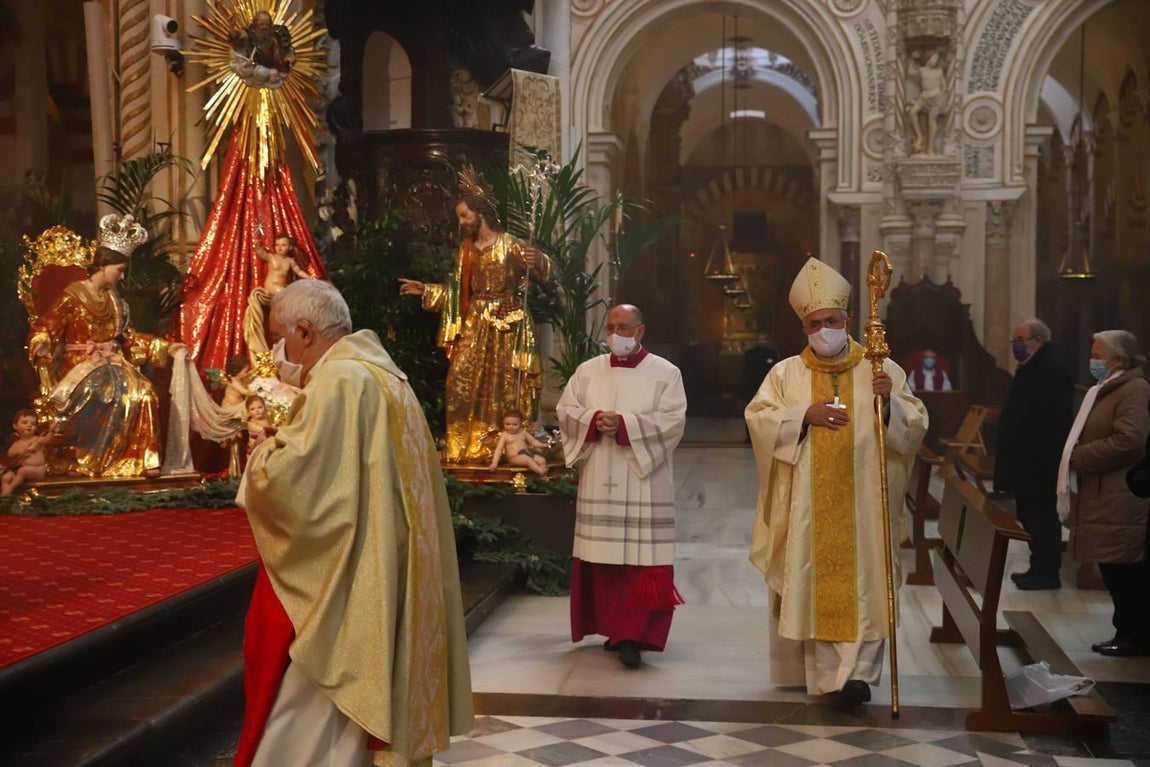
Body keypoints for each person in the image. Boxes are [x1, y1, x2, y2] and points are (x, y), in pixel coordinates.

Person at [235, 279, 473, 767]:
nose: (277, 351)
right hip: (385, 556)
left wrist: (261, 459)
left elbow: (297, 482)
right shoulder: (385, 375)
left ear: (304, 331)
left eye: (280, 336)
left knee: (323, 690)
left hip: (353, 575)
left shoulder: (339, 381)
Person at [745, 257, 928, 710]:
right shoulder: (785, 374)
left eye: (832, 320)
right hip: (809, 507)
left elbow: (914, 425)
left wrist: (890, 406)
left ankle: (860, 677)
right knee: (815, 579)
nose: (824, 329)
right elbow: (759, 418)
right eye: (815, 323)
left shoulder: (881, 369)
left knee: (868, 581)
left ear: (848, 320)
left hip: (866, 505)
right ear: (803, 328)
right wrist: (802, 416)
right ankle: (828, 677)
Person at [556, 304, 688, 669]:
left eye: (625, 327)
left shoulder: (665, 373)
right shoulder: (587, 371)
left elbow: (673, 420)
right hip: (601, 474)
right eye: (611, 327)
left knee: (639, 559)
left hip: (643, 478)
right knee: (603, 556)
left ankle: (633, 634)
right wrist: (595, 420)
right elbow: (566, 410)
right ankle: (612, 627)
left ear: (641, 331)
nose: (616, 334)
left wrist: (627, 425)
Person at [399, 167, 552, 465]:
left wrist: (539, 261)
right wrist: (427, 290)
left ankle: (509, 449)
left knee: (507, 386)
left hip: (509, 323)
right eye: (460, 216)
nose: (462, 222)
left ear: (480, 212)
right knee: (460, 383)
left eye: (465, 215)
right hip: (476, 323)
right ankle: (468, 447)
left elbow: (545, 275)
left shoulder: (509, 245)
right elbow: (457, 294)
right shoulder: (466, 251)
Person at [27, 214, 184, 478]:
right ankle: (85, 461)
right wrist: (41, 342)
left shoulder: (114, 300)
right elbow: (45, 326)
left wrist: (163, 346)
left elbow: (128, 337)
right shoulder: (73, 296)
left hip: (113, 364)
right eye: (120, 270)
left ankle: (141, 461)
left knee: (145, 392)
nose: (122, 277)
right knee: (101, 393)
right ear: (104, 265)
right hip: (80, 367)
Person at [1058, 330, 1150, 657]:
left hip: (1120, 495)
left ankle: (1132, 636)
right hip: (1103, 494)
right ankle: (1128, 631)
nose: (1092, 361)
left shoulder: (1133, 389)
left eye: (1098, 355)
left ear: (1119, 359)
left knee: (1124, 570)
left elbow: (1131, 440)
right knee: (1115, 569)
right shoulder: (1107, 388)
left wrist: (1079, 456)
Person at [993, 318, 1074, 590]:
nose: (1015, 346)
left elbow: (1053, 422)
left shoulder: (1052, 370)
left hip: (1040, 463)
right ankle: (1036, 567)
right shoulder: (1033, 367)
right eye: (1014, 341)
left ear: (1037, 341)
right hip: (1027, 462)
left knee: (1043, 519)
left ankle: (1047, 573)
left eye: (1019, 341)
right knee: (1030, 516)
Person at [245, 234, 313, 357]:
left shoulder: (290, 261)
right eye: (277, 245)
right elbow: (260, 252)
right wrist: (256, 242)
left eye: (283, 245)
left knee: (291, 295)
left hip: (281, 288)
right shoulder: (272, 257)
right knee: (287, 294)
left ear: (290, 247)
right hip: (271, 286)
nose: (279, 248)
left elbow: (299, 271)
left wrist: (310, 278)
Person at [229, 10, 295, 87]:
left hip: (271, 67)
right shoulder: (247, 35)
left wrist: (287, 59)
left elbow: (279, 56)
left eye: (267, 24)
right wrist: (231, 27)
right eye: (261, 24)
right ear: (255, 24)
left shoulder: (274, 37)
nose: (264, 27)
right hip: (254, 68)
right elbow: (235, 39)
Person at [1, 409, 56, 496]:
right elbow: (9, 454)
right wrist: (20, 452)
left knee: (23, 471)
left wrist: (51, 431)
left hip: (38, 470)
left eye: (33, 424)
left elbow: (47, 439)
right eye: (25, 423)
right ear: (15, 426)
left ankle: (10, 490)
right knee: (6, 477)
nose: (29, 425)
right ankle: (5, 494)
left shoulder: (37, 440)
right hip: (20, 471)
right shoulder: (17, 444)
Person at [908, 50, 947, 155]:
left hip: (936, 98)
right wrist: (912, 58)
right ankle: (919, 136)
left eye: (937, 59)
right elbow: (911, 72)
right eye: (933, 58)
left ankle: (930, 148)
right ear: (928, 58)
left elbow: (944, 85)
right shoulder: (922, 70)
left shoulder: (939, 71)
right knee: (912, 112)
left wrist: (941, 98)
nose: (935, 61)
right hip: (924, 97)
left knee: (932, 122)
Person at [489, 408, 549, 475]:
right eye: (507, 424)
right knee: (528, 460)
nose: (511, 427)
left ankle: (543, 478)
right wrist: (494, 463)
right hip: (514, 457)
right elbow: (499, 450)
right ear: (503, 423)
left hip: (527, 454)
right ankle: (541, 472)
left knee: (542, 460)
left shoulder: (523, 432)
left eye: (514, 424)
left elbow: (533, 441)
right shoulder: (504, 435)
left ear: (520, 424)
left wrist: (541, 444)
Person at [742, 334, 779, 402]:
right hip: (753, 382)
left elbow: (775, 367)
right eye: (760, 339)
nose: (762, 341)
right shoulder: (750, 353)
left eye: (764, 339)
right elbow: (746, 368)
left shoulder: (771, 353)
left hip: (767, 381)